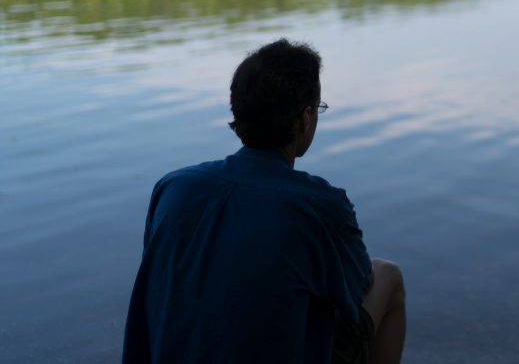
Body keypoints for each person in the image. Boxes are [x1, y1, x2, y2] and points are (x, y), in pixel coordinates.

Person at [122, 39, 406, 364]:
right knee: (387, 276)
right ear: (306, 117)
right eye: (318, 109)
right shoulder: (320, 204)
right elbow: (356, 291)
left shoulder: (172, 187)